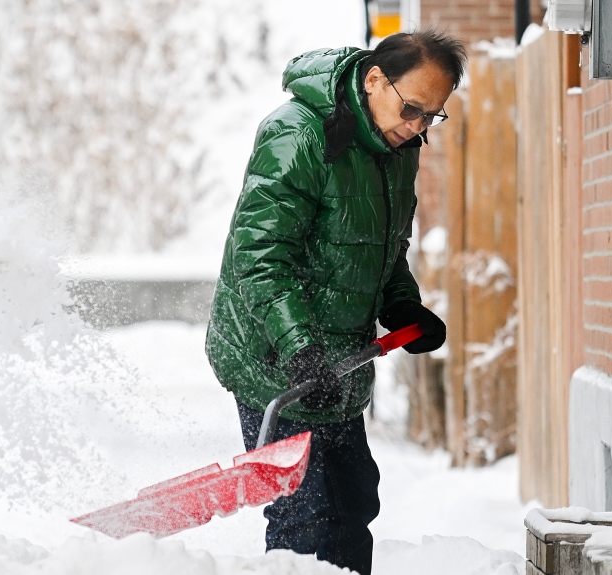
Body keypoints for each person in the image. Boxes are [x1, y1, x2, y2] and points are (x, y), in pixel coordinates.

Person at [204, 30, 466, 575]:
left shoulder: (397, 147)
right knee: (306, 515)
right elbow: (260, 255)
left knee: (352, 503)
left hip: (339, 362)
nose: (418, 127)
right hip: (273, 356)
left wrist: (401, 306)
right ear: (374, 79)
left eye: (432, 116)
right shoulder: (297, 135)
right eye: (412, 109)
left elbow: (387, 245)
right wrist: (299, 345)